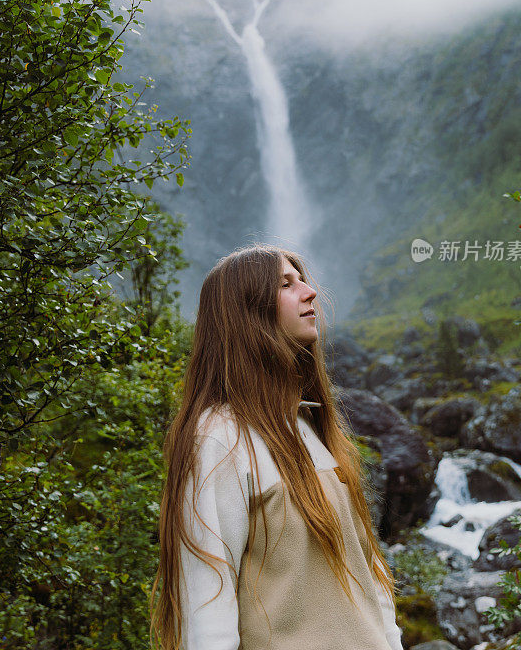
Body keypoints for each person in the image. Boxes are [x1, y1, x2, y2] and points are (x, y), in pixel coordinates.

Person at [150, 244, 403, 650]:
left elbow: (369, 580)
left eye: (302, 279)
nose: (310, 292)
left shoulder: (310, 426)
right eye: (287, 284)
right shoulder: (219, 437)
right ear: (247, 312)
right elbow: (205, 604)